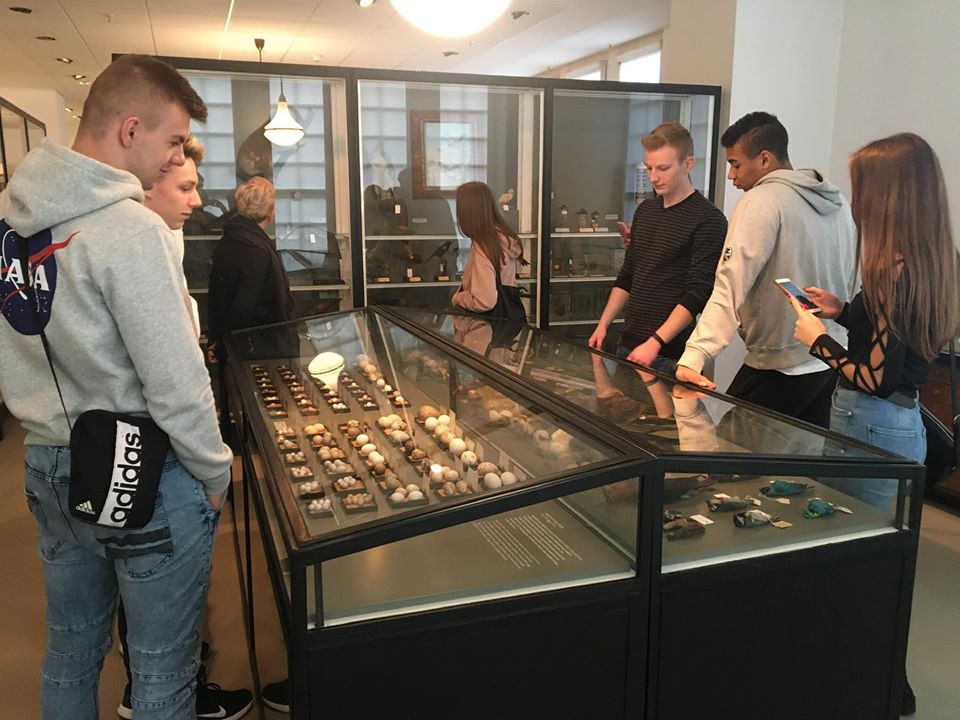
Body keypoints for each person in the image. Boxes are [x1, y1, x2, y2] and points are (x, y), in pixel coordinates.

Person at [0, 55, 232, 719]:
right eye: (172, 141)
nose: (174, 158)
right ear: (131, 129)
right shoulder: (132, 229)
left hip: (46, 460)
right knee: (161, 671)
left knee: (71, 650)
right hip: (140, 465)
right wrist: (214, 470)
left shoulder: (7, 223)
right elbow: (175, 380)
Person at [792, 133, 958, 718]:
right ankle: (885, 680)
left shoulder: (892, 271)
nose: (855, 201)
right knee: (878, 558)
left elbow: (874, 378)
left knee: (856, 559)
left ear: (888, 195)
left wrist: (818, 341)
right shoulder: (931, 260)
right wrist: (842, 311)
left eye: (862, 188)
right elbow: (898, 352)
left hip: (871, 424)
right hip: (898, 427)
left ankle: (866, 682)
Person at [112, 135, 251, 720]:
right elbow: (169, 383)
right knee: (157, 610)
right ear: (148, 183)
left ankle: (168, 687)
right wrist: (214, 470)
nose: (198, 200)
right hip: (151, 455)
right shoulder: (139, 247)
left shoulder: (160, 243)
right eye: (186, 187)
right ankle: (167, 694)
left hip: (133, 451)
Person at [676, 111, 857, 428]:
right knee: (803, 456)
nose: (731, 176)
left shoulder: (760, 200)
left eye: (735, 164)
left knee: (729, 452)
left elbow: (730, 284)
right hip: (829, 359)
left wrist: (695, 355)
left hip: (781, 364)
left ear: (764, 159)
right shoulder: (838, 201)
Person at [588, 121, 727, 373]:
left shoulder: (709, 219)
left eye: (663, 168)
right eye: (649, 167)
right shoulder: (646, 210)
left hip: (670, 354)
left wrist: (655, 342)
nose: (653, 177)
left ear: (688, 164)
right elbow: (628, 275)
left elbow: (697, 293)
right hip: (628, 344)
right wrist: (603, 324)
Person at [207, 176, 294, 364]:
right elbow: (244, 306)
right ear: (271, 213)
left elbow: (217, 296)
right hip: (257, 346)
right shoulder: (258, 249)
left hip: (233, 343)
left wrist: (217, 339)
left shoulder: (229, 240)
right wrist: (224, 346)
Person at [450, 181, 525, 322]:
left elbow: (484, 301)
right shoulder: (503, 237)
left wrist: (458, 298)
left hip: (486, 329)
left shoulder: (483, 247)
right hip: (507, 322)